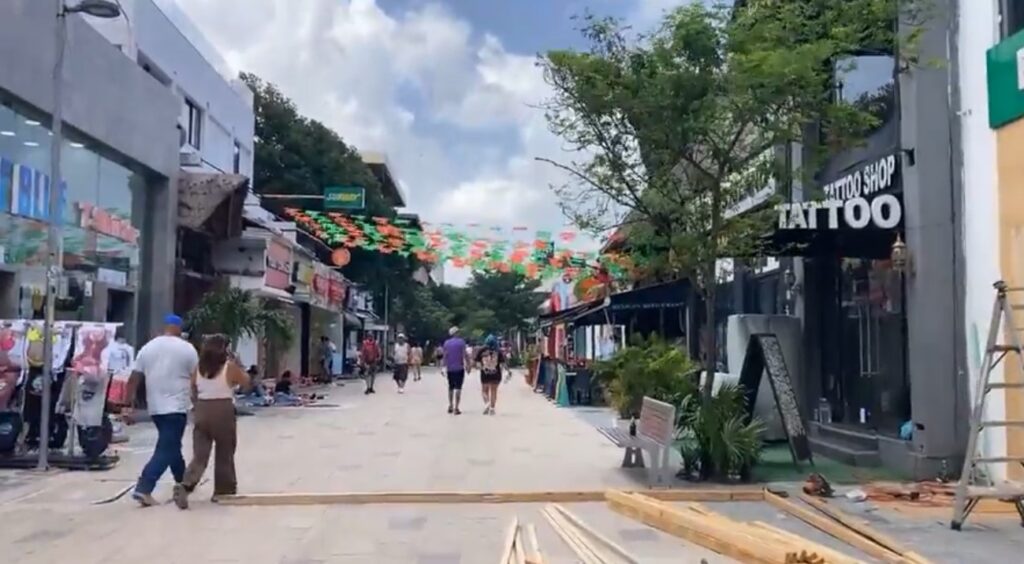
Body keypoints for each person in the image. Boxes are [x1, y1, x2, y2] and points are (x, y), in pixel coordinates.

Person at [124, 314, 198, 507]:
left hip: (156, 407)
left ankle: (183, 482)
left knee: (171, 445)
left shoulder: (148, 348)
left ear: (163, 327)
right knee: (166, 448)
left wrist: (127, 404)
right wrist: (198, 403)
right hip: (177, 407)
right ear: (180, 329)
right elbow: (196, 379)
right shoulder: (187, 349)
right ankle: (144, 488)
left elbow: (134, 378)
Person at [173, 334, 250, 509]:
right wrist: (238, 364)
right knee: (225, 451)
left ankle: (186, 485)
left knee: (200, 455)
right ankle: (223, 490)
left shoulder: (198, 369)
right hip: (222, 410)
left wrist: (198, 406)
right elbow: (246, 382)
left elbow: (193, 390)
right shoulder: (228, 367)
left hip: (202, 409)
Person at [476, 335, 507, 415]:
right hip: (496, 374)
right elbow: (503, 364)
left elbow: (478, 363)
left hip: (485, 373)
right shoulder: (498, 351)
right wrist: (508, 371)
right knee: (494, 391)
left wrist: (481, 368)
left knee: (484, 391)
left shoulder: (481, 350)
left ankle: (487, 403)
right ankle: (492, 409)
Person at [441, 327, 469, 415]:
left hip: (450, 369)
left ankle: (450, 405)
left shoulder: (446, 343)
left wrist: (443, 367)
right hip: (459, 368)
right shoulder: (461, 342)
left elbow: (445, 356)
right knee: (458, 388)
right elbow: (464, 354)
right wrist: (468, 365)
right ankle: (456, 407)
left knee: (450, 387)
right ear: (456, 333)